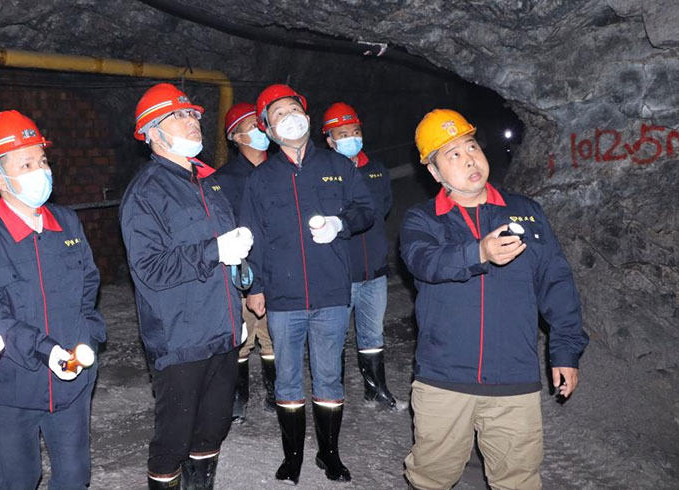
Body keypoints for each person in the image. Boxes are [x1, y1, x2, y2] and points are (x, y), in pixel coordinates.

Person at [400, 109, 589, 490]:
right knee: (431, 479)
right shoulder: (422, 220)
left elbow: (556, 282)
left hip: (514, 379)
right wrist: (479, 252)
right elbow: (425, 263)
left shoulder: (526, 213)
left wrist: (565, 350)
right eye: (452, 154)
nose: (469, 158)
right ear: (434, 171)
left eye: (471, 146)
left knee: (518, 481)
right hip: (444, 380)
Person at [0, 110, 106, 490]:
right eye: (25, 164)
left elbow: (89, 285)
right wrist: (45, 349)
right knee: (20, 478)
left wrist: (88, 335)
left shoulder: (67, 223)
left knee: (74, 477)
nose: (40, 171)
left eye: (42, 161)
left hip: (73, 378)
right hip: (14, 384)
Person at [240, 84, 376, 485]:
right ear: (268, 129)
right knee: (287, 378)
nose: (289, 118)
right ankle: (293, 457)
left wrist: (341, 224)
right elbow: (252, 235)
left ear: (307, 116)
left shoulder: (338, 166)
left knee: (329, 375)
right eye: (278, 114)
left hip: (331, 292)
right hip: (283, 297)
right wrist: (254, 287)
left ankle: (329, 454)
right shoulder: (261, 178)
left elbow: (366, 209)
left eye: (292, 109)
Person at [119, 82, 252, 490]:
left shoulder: (208, 182)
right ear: (152, 132)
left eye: (192, 114)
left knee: (213, 429)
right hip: (180, 338)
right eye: (178, 115)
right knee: (173, 441)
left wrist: (238, 301)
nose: (192, 120)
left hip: (222, 330)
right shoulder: (145, 194)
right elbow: (149, 268)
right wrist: (215, 250)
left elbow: (226, 256)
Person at [322, 102, 402, 410]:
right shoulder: (323, 173)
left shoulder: (376, 169)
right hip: (341, 273)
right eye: (342, 134)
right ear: (330, 140)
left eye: (354, 131)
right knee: (334, 336)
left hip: (375, 270)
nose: (350, 138)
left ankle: (376, 390)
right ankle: (332, 394)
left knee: (373, 333)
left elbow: (384, 208)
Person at [213, 102, 276, 421]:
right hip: (244, 275)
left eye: (262, 124)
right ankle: (238, 400)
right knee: (243, 338)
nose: (262, 130)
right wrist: (246, 281)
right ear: (236, 137)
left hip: (279, 272)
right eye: (253, 126)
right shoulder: (223, 180)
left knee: (274, 339)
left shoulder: (280, 171)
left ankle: (276, 395)